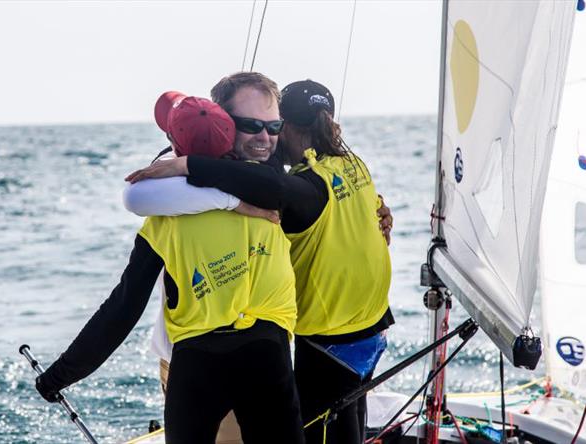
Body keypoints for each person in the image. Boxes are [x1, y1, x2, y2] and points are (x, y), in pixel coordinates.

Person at [126, 76, 393, 444]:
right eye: (251, 125)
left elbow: (279, 191)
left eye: (273, 126)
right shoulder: (350, 166)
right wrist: (223, 194)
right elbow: (139, 197)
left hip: (295, 345)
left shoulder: (285, 184)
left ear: (285, 130)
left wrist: (203, 177)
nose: (264, 137)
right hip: (352, 334)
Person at [35, 92, 305, 444]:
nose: (265, 136)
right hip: (267, 356)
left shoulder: (162, 220)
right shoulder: (269, 199)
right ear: (228, 132)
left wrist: (58, 376)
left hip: (196, 363)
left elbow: (123, 307)